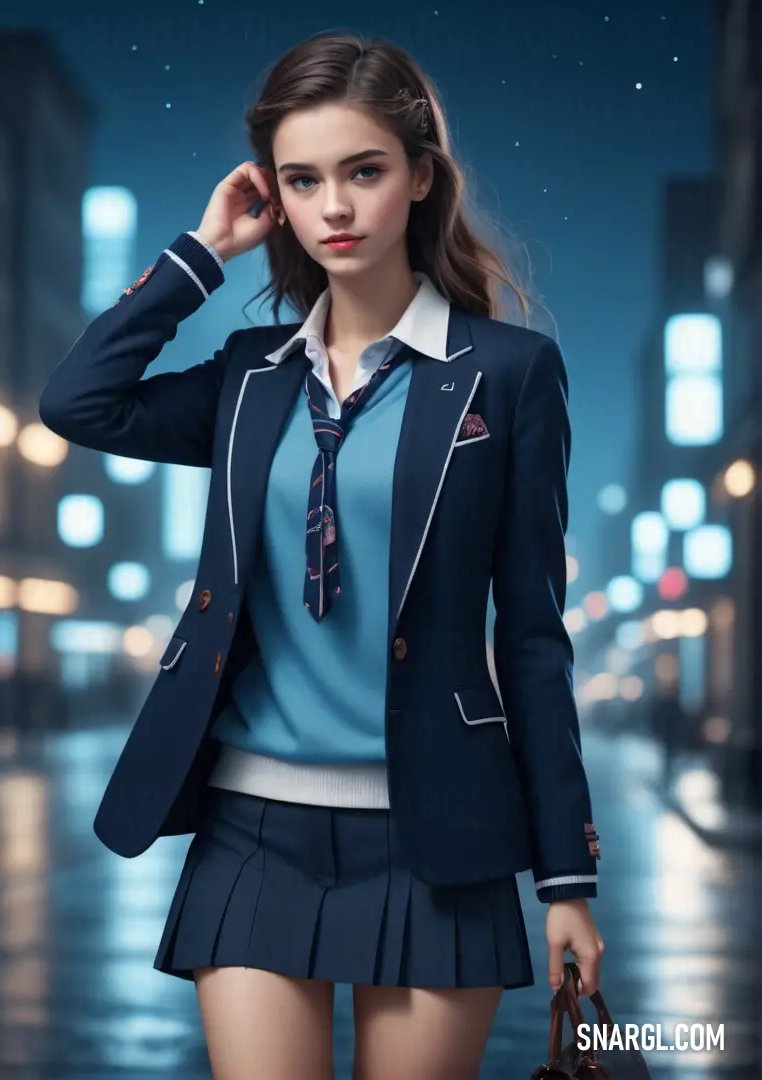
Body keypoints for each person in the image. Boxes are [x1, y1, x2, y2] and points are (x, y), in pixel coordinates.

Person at [39, 31, 603, 1080]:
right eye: (303, 180)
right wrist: (202, 253)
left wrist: (568, 879)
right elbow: (79, 401)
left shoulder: (509, 375)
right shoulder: (251, 377)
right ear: (277, 198)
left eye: (364, 171)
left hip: (439, 832)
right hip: (254, 832)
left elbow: (532, 636)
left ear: (421, 178)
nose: (334, 208)